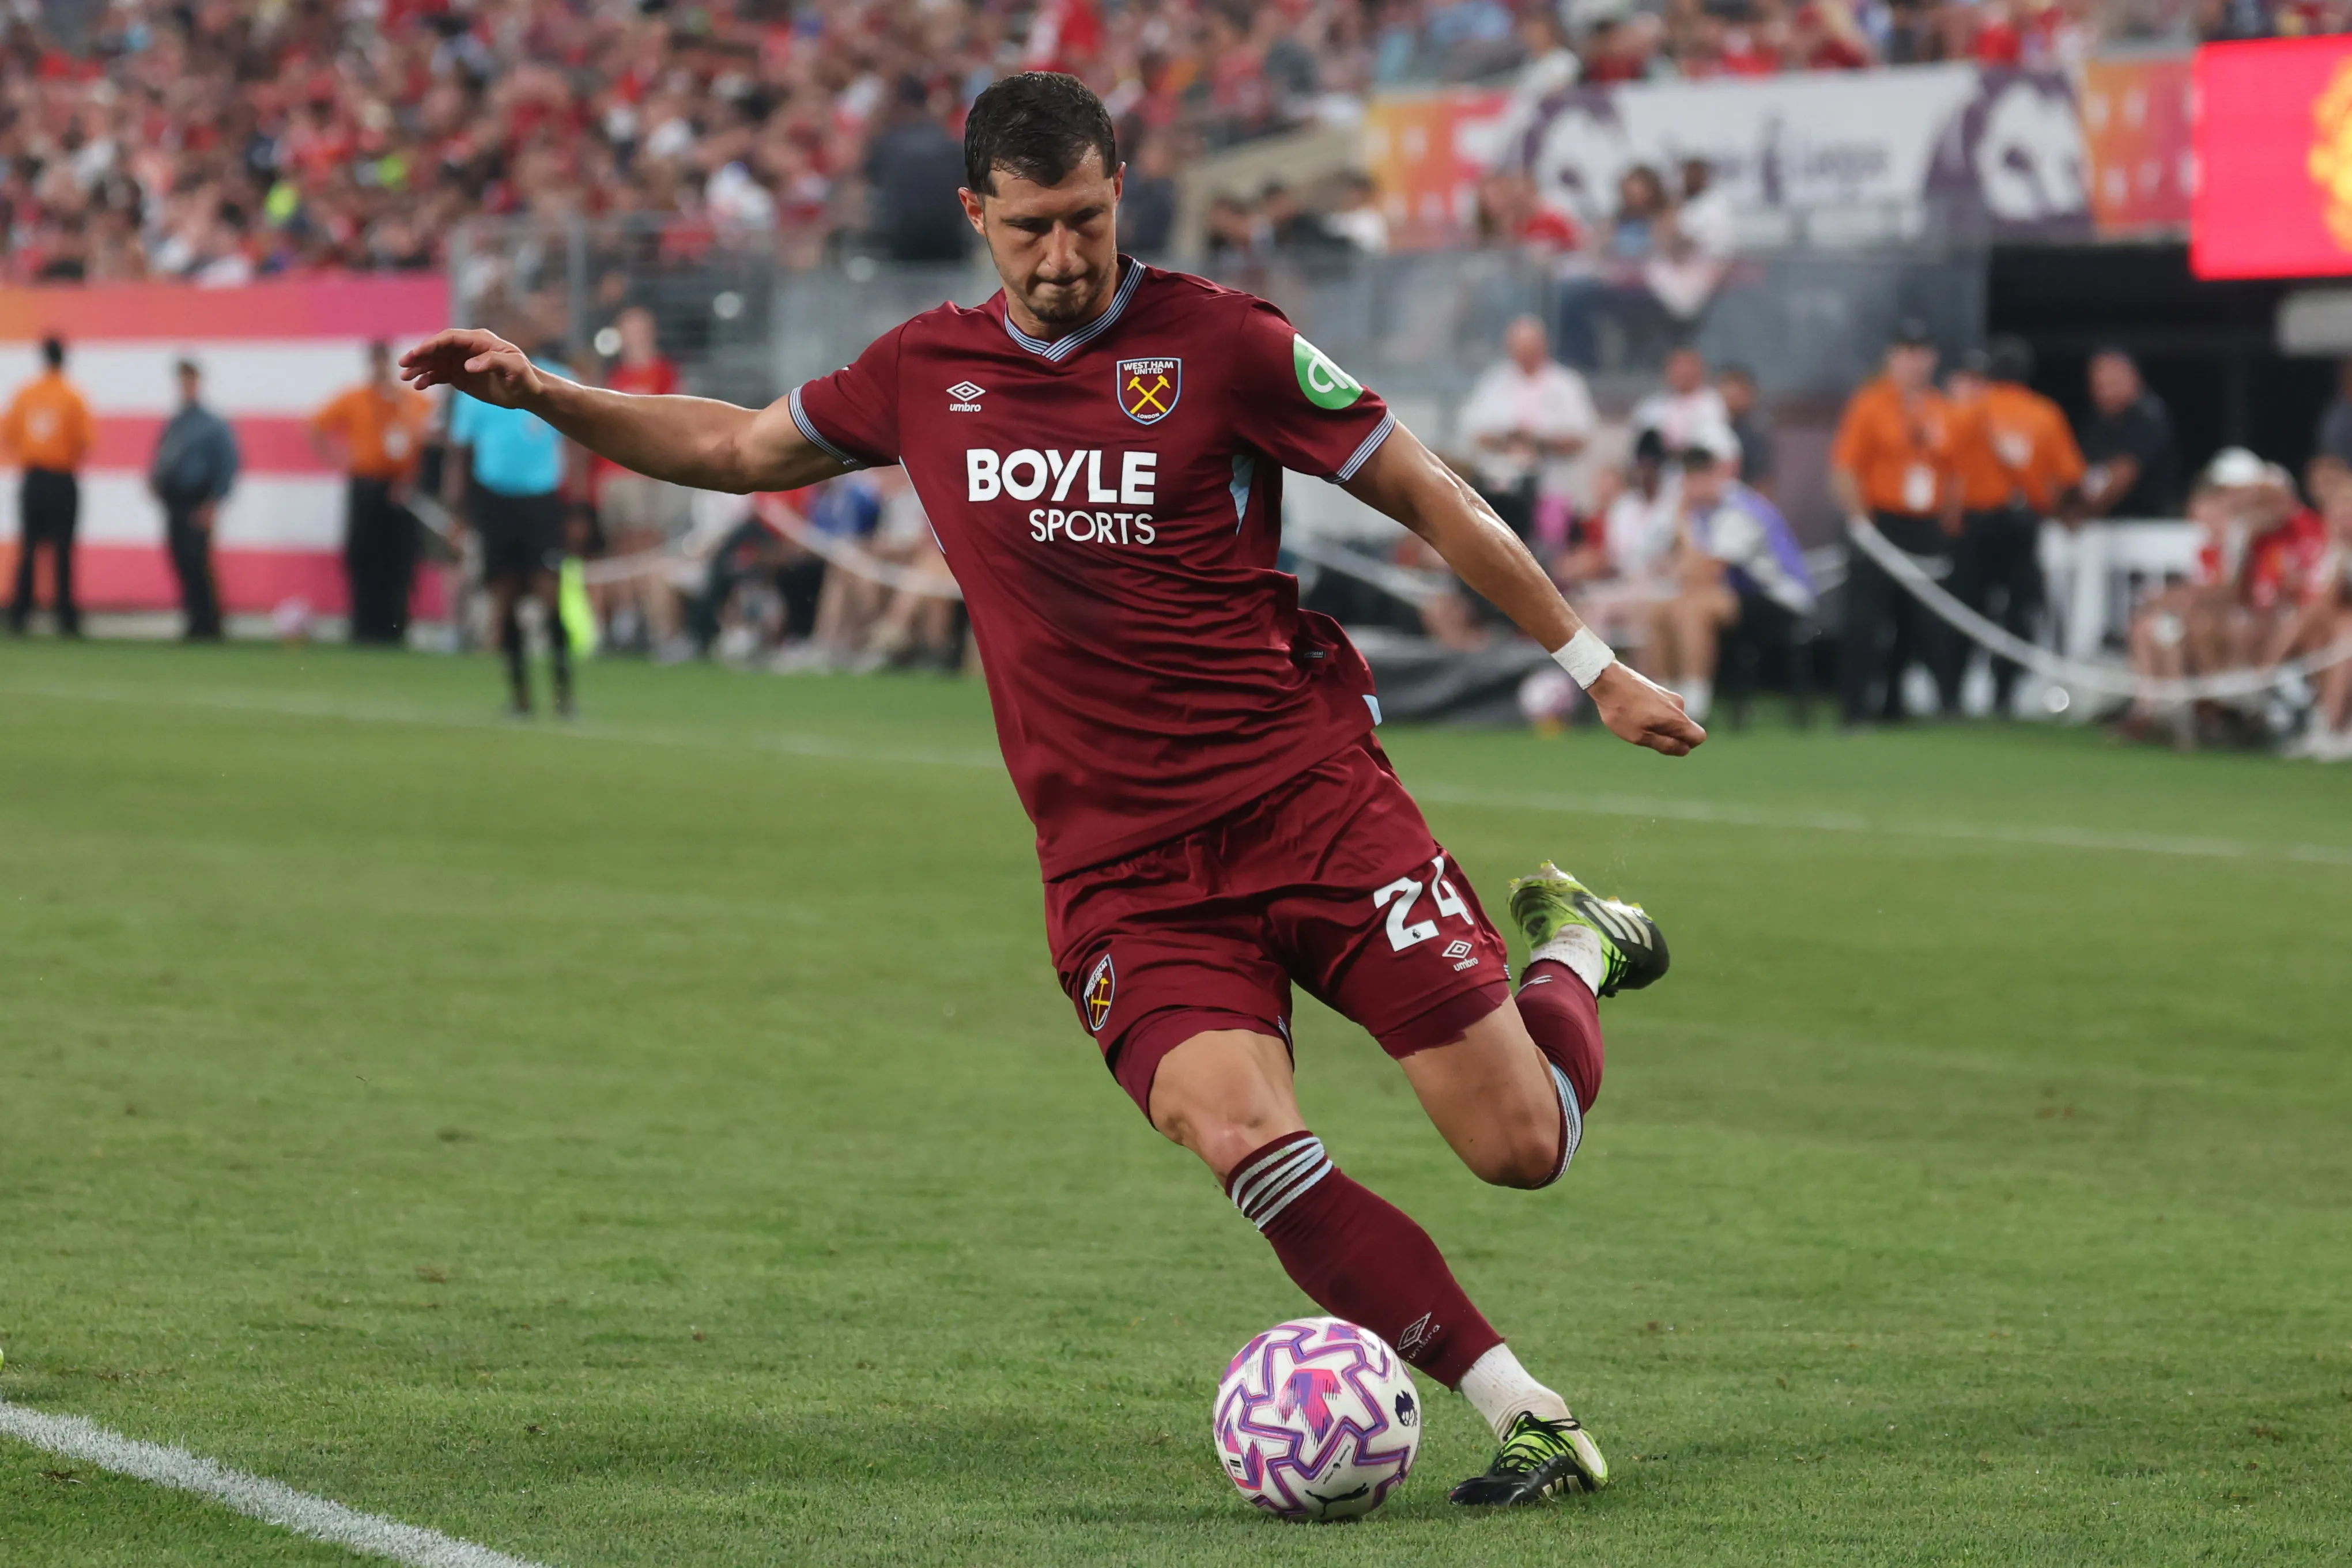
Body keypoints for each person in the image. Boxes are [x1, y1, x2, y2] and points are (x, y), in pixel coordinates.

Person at [402, 70, 1703, 1507]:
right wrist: (548, 392)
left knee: (1521, 1146)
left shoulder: (1224, 342)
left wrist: (1596, 666)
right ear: (976, 216)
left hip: (1310, 800)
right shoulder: (923, 373)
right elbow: (731, 446)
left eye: (1087, 217)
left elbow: (1425, 487)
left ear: (1119, 191)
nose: (1064, 255)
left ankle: (1576, 946)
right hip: (1122, 871)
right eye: (1030, 227)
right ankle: (1524, 1405)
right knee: (1242, 1133)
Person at [1941, 336, 2083, 716]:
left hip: (1976, 524)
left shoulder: (1971, 412)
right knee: (2020, 611)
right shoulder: (2045, 414)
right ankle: (2003, 693)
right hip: (2022, 523)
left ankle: (1951, 695)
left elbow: (1947, 468)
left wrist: (1950, 517)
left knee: (1967, 609)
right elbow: (2068, 477)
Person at [445, 327, 576, 717]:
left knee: (550, 593)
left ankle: (562, 694)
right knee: (505, 598)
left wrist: (581, 506)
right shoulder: (475, 386)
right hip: (495, 501)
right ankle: (520, 696)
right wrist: (459, 512)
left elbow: (576, 444)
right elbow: (461, 452)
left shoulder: (555, 379)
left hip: (541, 501)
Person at [1829, 320, 1953, 726]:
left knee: (1916, 620)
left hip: (1922, 523)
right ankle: (1854, 708)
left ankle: (1894, 705)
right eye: (1905, 352)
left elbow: (1951, 470)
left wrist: (1948, 521)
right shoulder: (1870, 403)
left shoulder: (1941, 407)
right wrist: (1859, 520)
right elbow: (1845, 466)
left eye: (1920, 353)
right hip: (1879, 521)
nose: (1914, 362)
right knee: (1865, 619)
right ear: (1892, 357)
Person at [1646, 430, 1815, 727]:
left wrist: (1682, 525)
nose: (1687, 486)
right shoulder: (1702, 513)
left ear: (1714, 475)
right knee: (1659, 610)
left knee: (1694, 609)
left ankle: (1694, 708)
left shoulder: (1741, 509)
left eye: (1694, 477)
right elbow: (1679, 572)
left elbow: (1705, 575)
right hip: (1736, 597)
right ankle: (1663, 700)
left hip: (1781, 598)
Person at [311, 341, 433, 645]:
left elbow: (427, 437)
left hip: (401, 488)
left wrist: (413, 477)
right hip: (366, 484)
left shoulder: (409, 401)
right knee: (363, 557)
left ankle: (396, 626)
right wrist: (338, 459)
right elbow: (316, 425)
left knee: (400, 558)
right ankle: (364, 626)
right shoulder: (356, 398)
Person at [590, 307, 688, 652]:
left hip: (643, 472)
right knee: (620, 547)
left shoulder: (662, 373)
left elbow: (674, 421)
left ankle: (656, 624)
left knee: (647, 544)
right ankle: (625, 618)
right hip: (611, 473)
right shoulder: (614, 374)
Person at [1455, 315, 1595, 545]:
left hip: (1551, 489)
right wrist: (1509, 440)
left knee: (1547, 554)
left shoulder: (1566, 385)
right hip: (1502, 491)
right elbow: (1476, 432)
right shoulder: (1494, 383)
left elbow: (1581, 437)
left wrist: (1539, 442)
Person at [3, 335, 95, 636]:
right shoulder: (73, 396)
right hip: (62, 478)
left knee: (29, 548)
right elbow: (85, 443)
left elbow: (10, 435)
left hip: (34, 477)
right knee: (63, 550)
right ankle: (65, 616)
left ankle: (21, 613)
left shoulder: (26, 394)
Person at [149, 358, 239, 642]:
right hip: (175, 501)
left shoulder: (212, 424)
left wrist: (214, 502)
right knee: (181, 560)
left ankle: (209, 622)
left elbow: (227, 464)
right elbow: (163, 458)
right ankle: (193, 618)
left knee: (197, 561)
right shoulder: (176, 422)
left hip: (198, 500)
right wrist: (156, 482)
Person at [2077, 347, 2181, 520]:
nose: (2106, 393)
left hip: (2151, 525)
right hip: (2111, 526)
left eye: (2113, 384)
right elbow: (2081, 468)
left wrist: (2079, 511)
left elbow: (2124, 474)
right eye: (2099, 386)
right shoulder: (2098, 423)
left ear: (2133, 378)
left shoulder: (2148, 417)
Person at [1630, 346, 1734, 455]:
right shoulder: (1650, 407)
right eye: (1676, 366)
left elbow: (1719, 446)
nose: (1681, 372)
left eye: (1686, 366)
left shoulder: (1714, 402)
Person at [1716, 362, 1776, 499]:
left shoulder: (1756, 437)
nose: (1731, 400)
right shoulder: (1706, 430)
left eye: (1737, 395)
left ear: (1750, 394)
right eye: (1727, 395)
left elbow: (1763, 485)